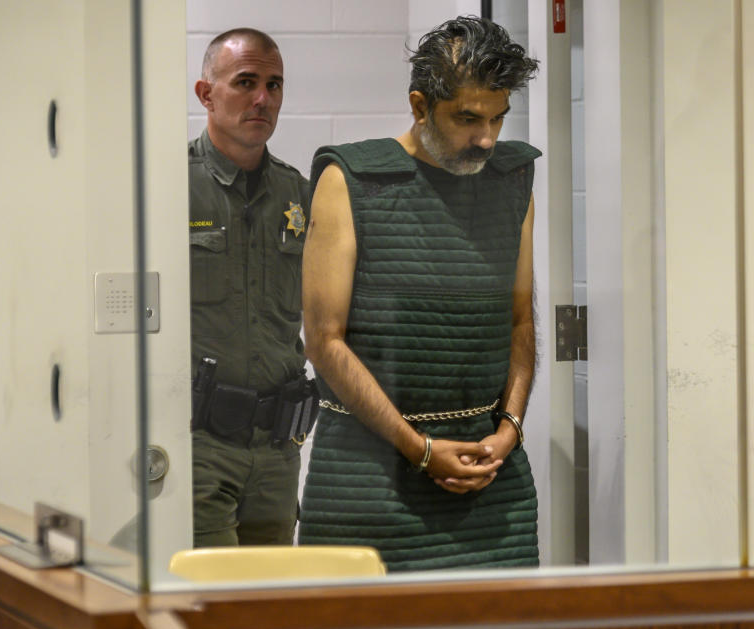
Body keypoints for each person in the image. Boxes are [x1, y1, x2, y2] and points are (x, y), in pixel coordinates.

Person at [298, 16, 541, 571]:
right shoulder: (349, 178)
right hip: (369, 476)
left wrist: (510, 428)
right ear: (419, 104)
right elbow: (324, 341)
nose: (485, 137)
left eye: (497, 119)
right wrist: (420, 450)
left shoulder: (513, 178)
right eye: (467, 118)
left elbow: (520, 321)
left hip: (489, 474)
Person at [188, 28, 316, 547]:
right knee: (211, 607)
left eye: (274, 85)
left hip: (278, 448)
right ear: (206, 94)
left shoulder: (300, 194)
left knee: (269, 606)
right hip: (199, 444)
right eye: (245, 82)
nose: (263, 98)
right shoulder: (167, 187)